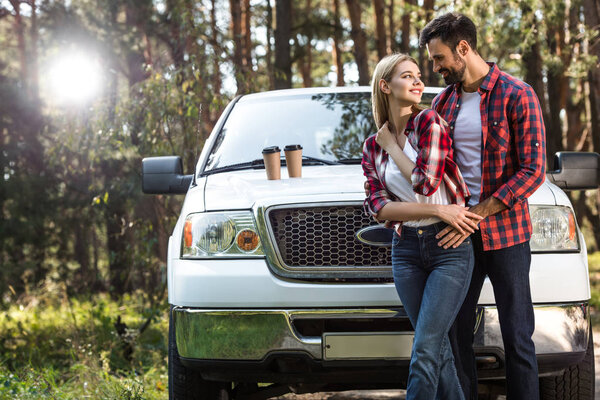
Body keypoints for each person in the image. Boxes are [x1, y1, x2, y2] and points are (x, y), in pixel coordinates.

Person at [419, 13, 547, 400]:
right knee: (456, 336)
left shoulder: (516, 93)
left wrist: (480, 213)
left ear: (463, 48)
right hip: (457, 238)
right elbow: (432, 169)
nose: (436, 67)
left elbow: (533, 170)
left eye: (439, 58)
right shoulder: (442, 103)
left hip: (506, 236)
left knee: (517, 336)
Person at [362, 53, 483, 400]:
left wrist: (392, 148)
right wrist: (442, 211)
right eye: (407, 76)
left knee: (426, 349)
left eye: (418, 75)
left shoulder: (430, 122)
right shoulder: (372, 147)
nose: (418, 81)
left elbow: (425, 183)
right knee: (437, 350)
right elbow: (377, 207)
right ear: (386, 86)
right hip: (407, 252)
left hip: (450, 250)